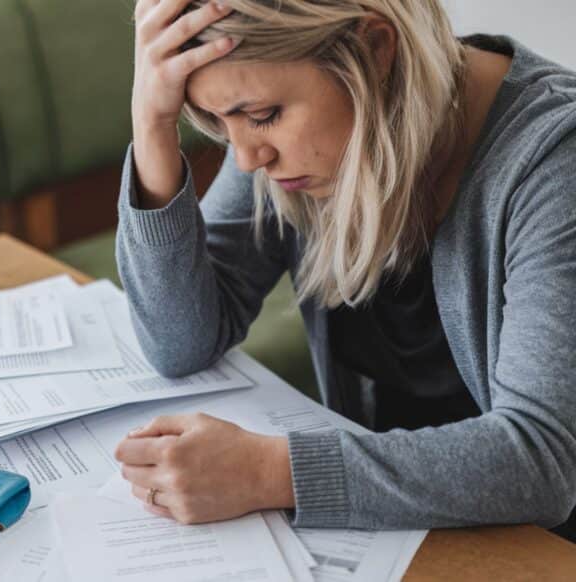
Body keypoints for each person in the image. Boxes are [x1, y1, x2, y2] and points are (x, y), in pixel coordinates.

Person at [113, 0, 576, 538]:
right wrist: (151, 127)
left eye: (261, 115)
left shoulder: (555, 165)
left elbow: (539, 463)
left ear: (374, 49)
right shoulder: (293, 147)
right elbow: (181, 340)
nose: (246, 158)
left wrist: (266, 471)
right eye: (219, 121)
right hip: (390, 532)